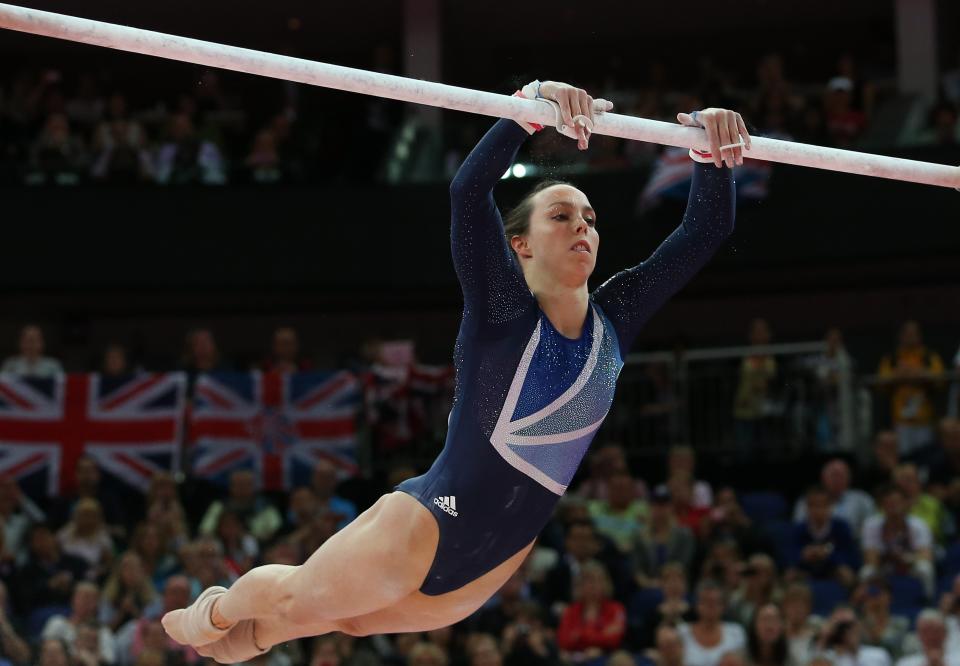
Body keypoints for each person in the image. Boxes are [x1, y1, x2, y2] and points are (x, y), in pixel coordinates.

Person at [164, 80, 746, 662]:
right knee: (301, 601)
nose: (583, 228)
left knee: (356, 624)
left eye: (590, 219)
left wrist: (710, 146)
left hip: (489, 568)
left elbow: (706, 230)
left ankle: (254, 637)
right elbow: (470, 191)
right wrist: (528, 109)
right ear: (519, 244)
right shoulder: (502, 309)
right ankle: (215, 609)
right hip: (425, 528)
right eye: (562, 215)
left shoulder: (617, 316)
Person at [677, 581, 747, 666]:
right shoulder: (682, 632)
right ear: (697, 605)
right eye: (705, 601)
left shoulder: (736, 632)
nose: (710, 606)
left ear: (723, 606)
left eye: (715, 602)